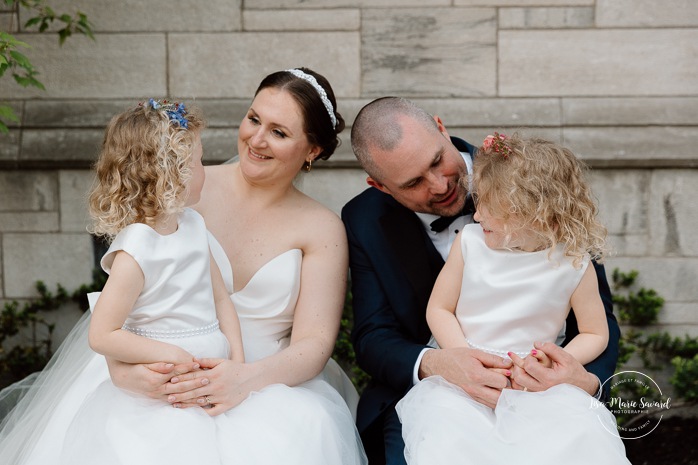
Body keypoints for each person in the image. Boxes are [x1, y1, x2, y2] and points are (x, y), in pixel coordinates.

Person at [100, 68, 367, 464]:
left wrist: (243, 379)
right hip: (161, 373)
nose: (256, 140)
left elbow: (314, 344)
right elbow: (126, 299)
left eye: (279, 132)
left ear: (311, 150)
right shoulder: (184, 188)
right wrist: (123, 372)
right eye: (254, 119)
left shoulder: (322, 228)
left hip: (270, 383)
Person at [341, 97, 620, 465]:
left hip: (540, 391)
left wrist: (579, 379)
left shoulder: (531, 180)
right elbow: (373, 335)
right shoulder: (365, 219)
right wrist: (445, 362)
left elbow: (599, 326)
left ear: (441, 128)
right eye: (413, 183)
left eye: (438, 161)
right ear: (380, 186)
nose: (440, 185)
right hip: (436, 399)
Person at [0, 98, 247, 464]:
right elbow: (103, 333)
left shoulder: (194, 225)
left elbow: (221, 299)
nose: (205, 169)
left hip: (214, 379)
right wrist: (172, 355)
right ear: (170, 172)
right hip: (161, 389)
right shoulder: (137, 248)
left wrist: (238, 365)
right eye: (197, 161)